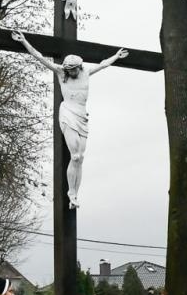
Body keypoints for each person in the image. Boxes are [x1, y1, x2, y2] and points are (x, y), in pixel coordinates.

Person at [12, 30, 130, 209]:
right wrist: (24, 41)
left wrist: (116, 56)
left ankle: (75, 194)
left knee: (80, 158)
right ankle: (71, 193)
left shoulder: (86, 72)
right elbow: (40, 57)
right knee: (74, 155)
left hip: (82, 116)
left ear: (79, 67)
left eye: (74, 69)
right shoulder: (61, 73)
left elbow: (103, 64)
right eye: (69, 70)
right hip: (68, 113)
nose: (72, 72)